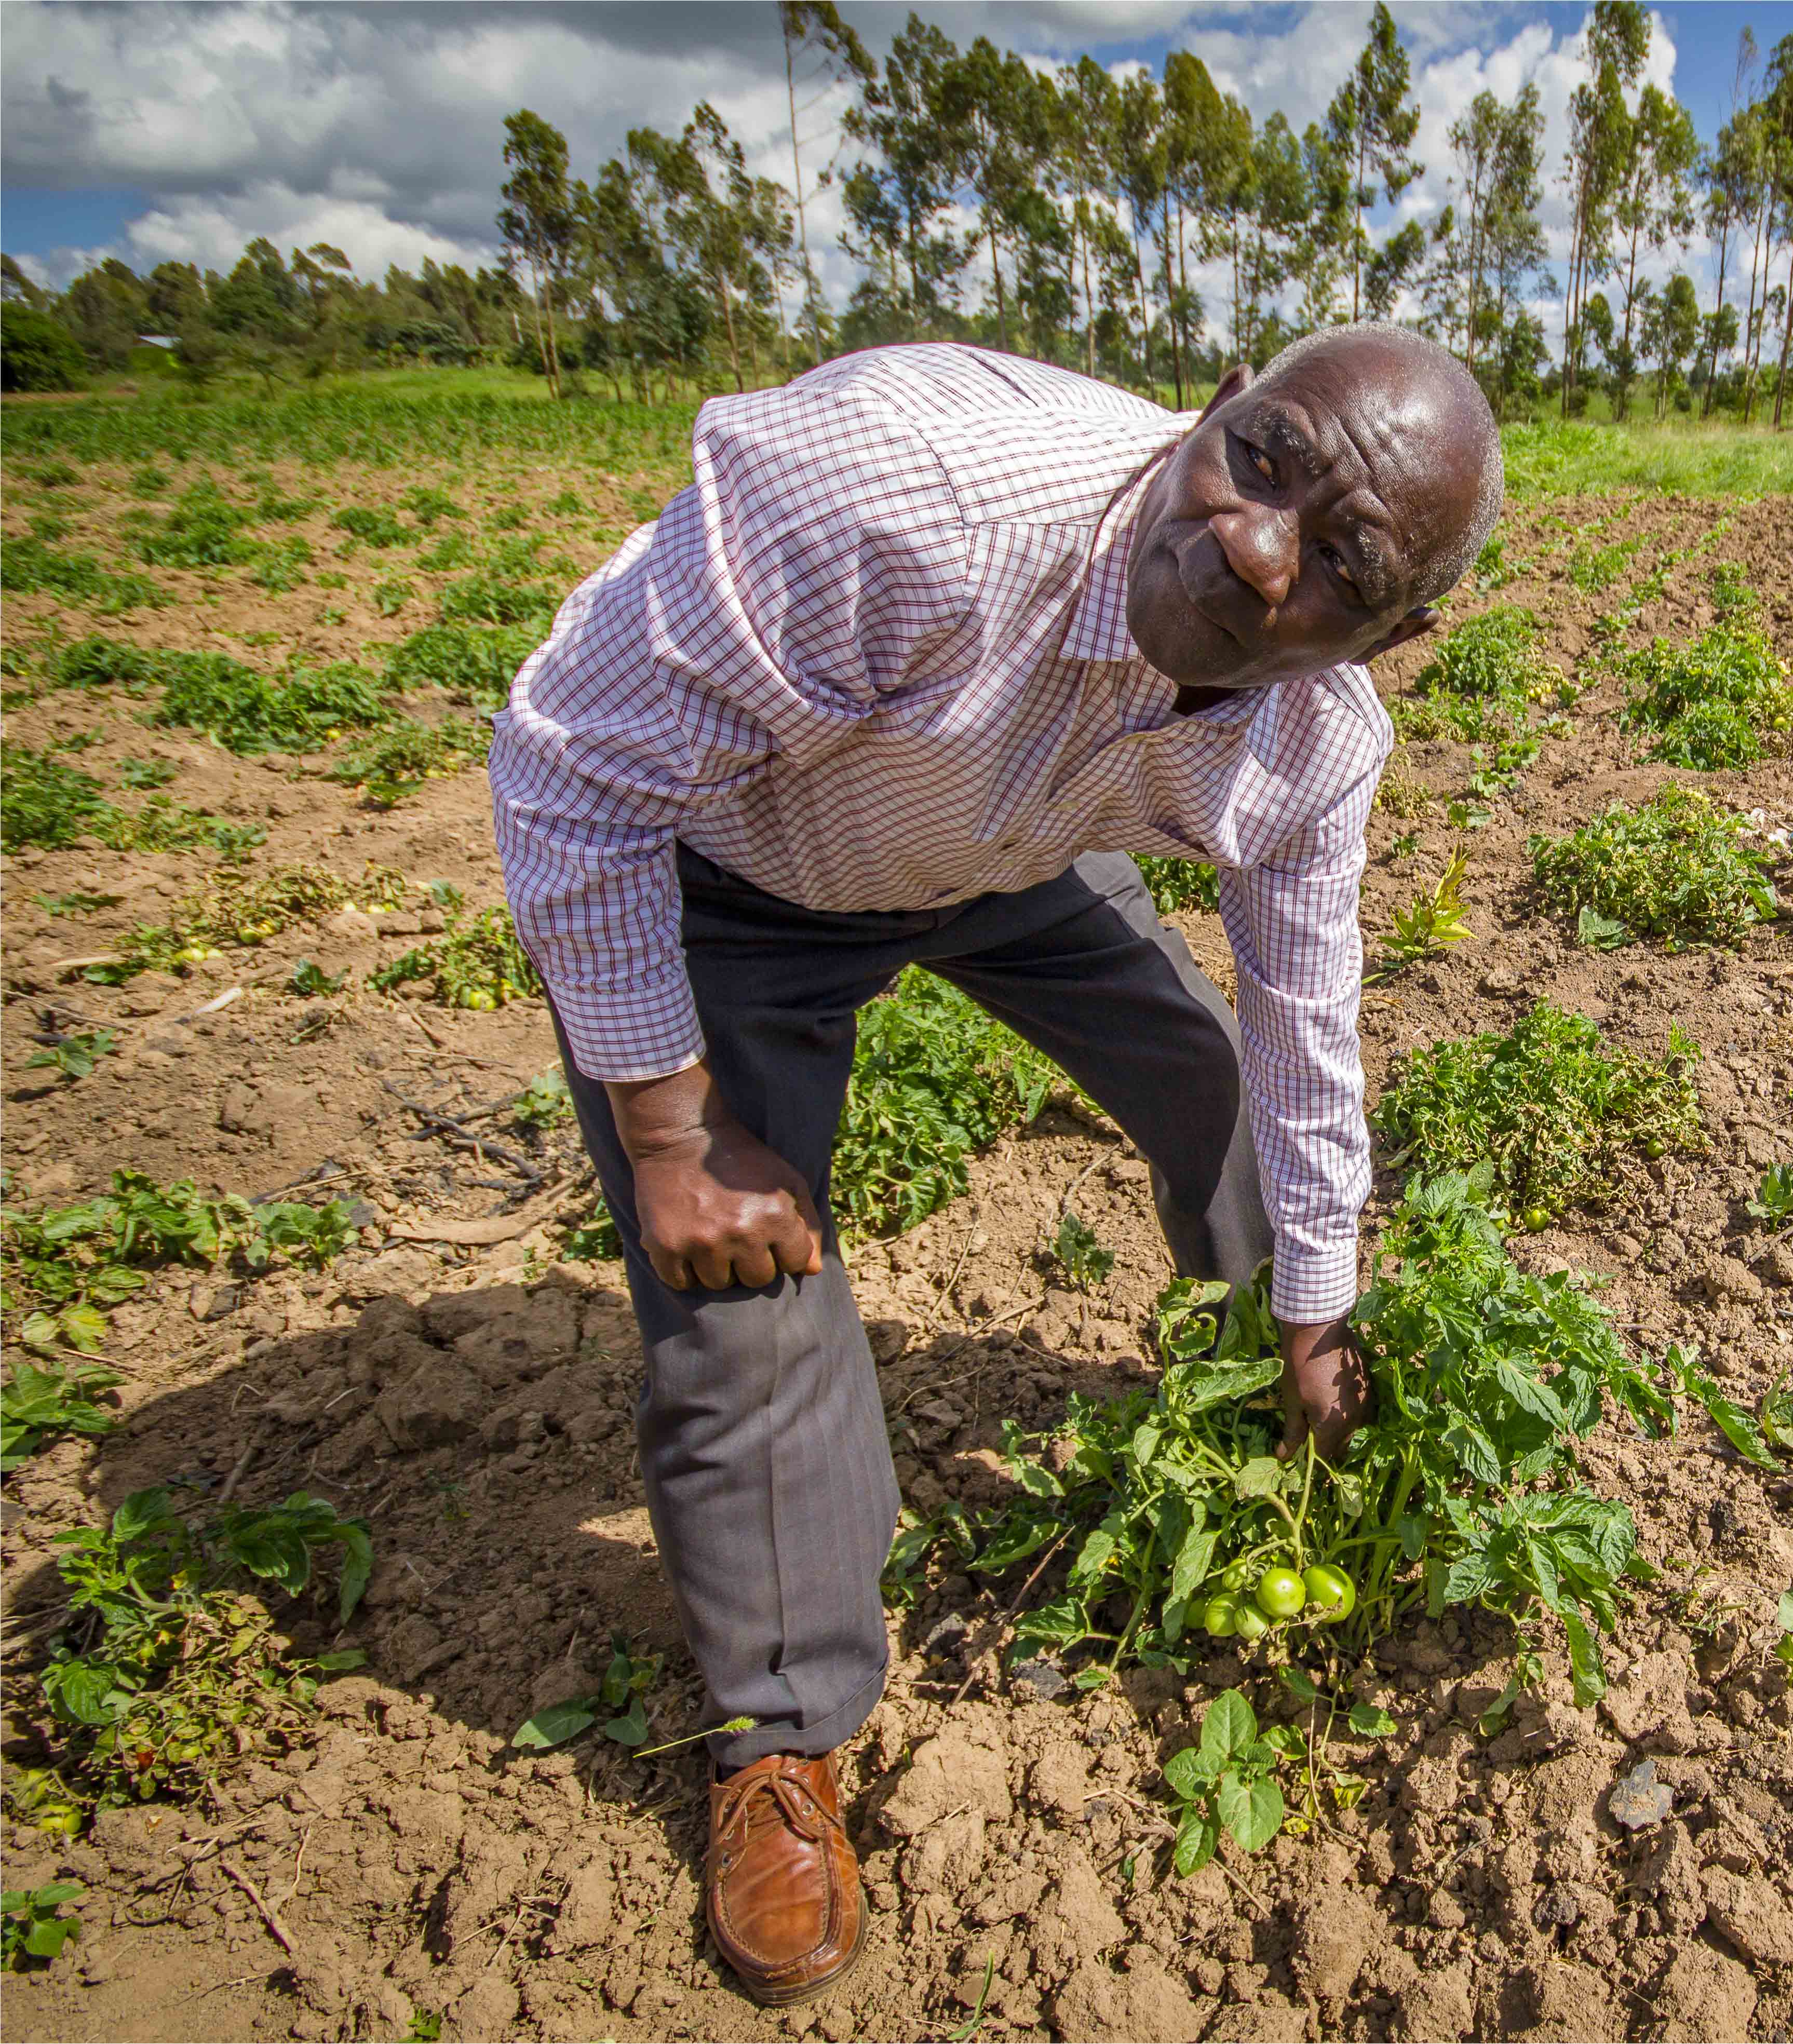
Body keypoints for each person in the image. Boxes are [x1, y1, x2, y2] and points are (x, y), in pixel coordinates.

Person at [488, 326, 1503, 2005]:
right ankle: (779, 1729)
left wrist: (1321, 1302)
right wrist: (671, 1134)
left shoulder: (1312, 744)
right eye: (1258, 461)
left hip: (997, 843)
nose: (1256, 552)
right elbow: (568, 766)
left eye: (1345, 563)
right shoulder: (903, 500)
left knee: (1214, 1077)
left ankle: (1264, 1388)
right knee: (749, 1286)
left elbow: (1304, 1026)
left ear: (1396, 638)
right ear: (1219, 402)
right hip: (738, 862)